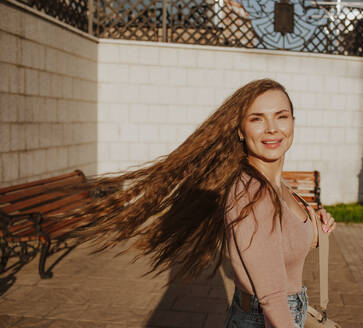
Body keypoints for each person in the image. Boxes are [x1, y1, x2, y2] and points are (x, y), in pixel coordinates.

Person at [64, 78, 336, 327]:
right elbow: (272, 296)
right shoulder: (251, 193)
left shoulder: (275, 186)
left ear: (293, 122)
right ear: (241, 130)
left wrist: (314, 225)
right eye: (257, 119)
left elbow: (284, 244)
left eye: (281, 116)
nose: (272, 128)